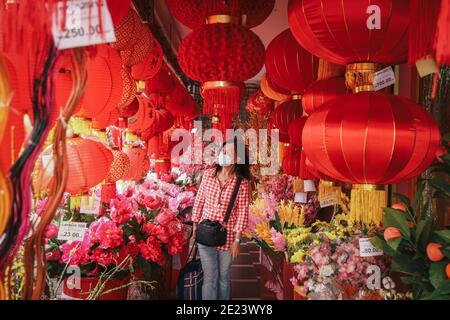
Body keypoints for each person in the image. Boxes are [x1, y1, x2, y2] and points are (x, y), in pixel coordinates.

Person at [191, 138, 251, 300]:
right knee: (210, 278)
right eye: (222, 152)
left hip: (228, 237)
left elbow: (242, 212)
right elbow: (199, 201)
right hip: (205, 233)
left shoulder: (242, 183)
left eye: (228, 153)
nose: (223, 155)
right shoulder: (209, 175)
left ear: (237, 159)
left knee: (223, 278)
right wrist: (195, 227)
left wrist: (237, 241)